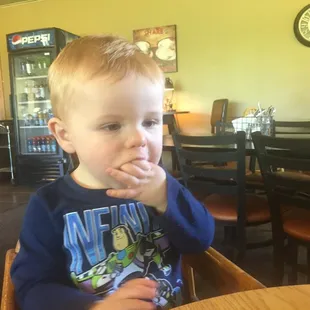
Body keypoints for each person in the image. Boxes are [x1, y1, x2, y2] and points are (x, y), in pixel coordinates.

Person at [11, 35, 214, 310]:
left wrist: (166, 197)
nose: (139, 138)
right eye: (112, 126)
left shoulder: (162, 188)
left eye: (151, 122)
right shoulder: (49, 206)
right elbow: (32, 288)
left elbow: (200, 241)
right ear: (65, 134)